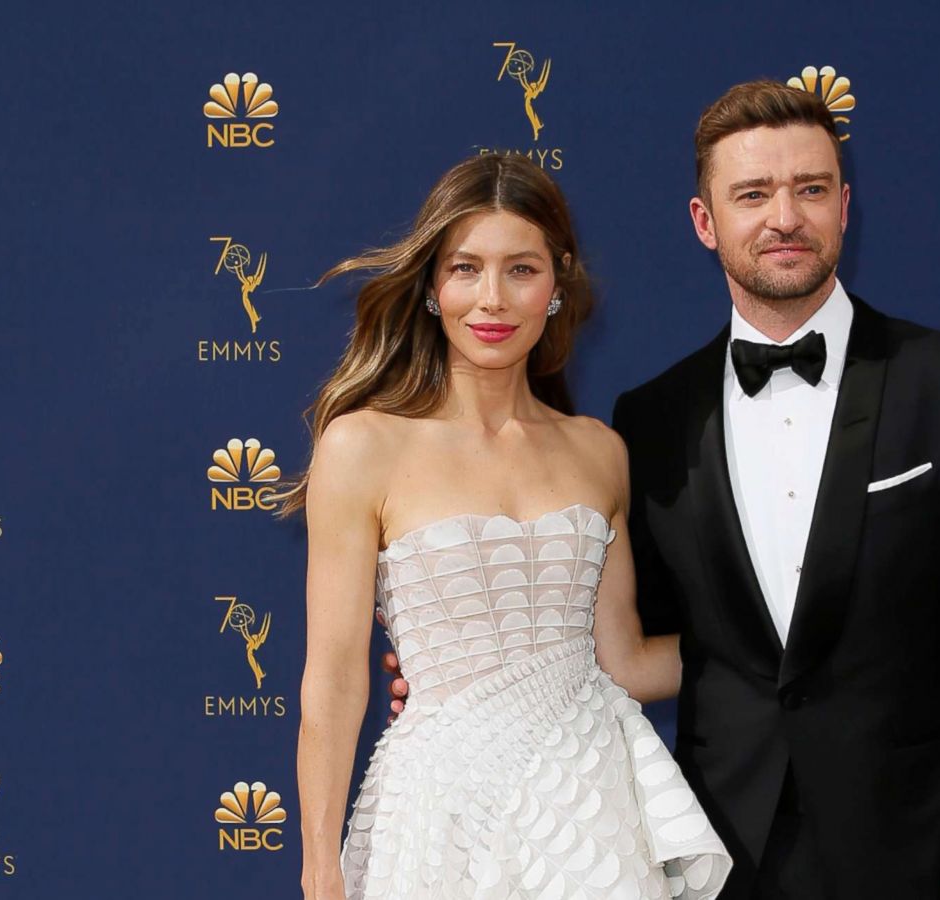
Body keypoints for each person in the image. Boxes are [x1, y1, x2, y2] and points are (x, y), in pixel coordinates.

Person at [390, 81, 940, 899]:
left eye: (809, 189)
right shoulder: (653, 419)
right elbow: (630, 640)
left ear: (845, 206)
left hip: (921, 854)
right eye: (752, 194)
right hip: (719, 858)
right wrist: (481, 672)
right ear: (706, 223)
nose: (784, 217)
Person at [293, 155, 731, 900]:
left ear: (557, 286)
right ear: (433, 286)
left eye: (520, 270)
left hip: (590, 812)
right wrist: (321, 866)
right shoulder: (362, 446)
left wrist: (774, 642)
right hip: (441, 816)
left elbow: (623, 662)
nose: (490, 299)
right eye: (466, 269)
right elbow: (334, 680)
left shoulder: (599, 450)